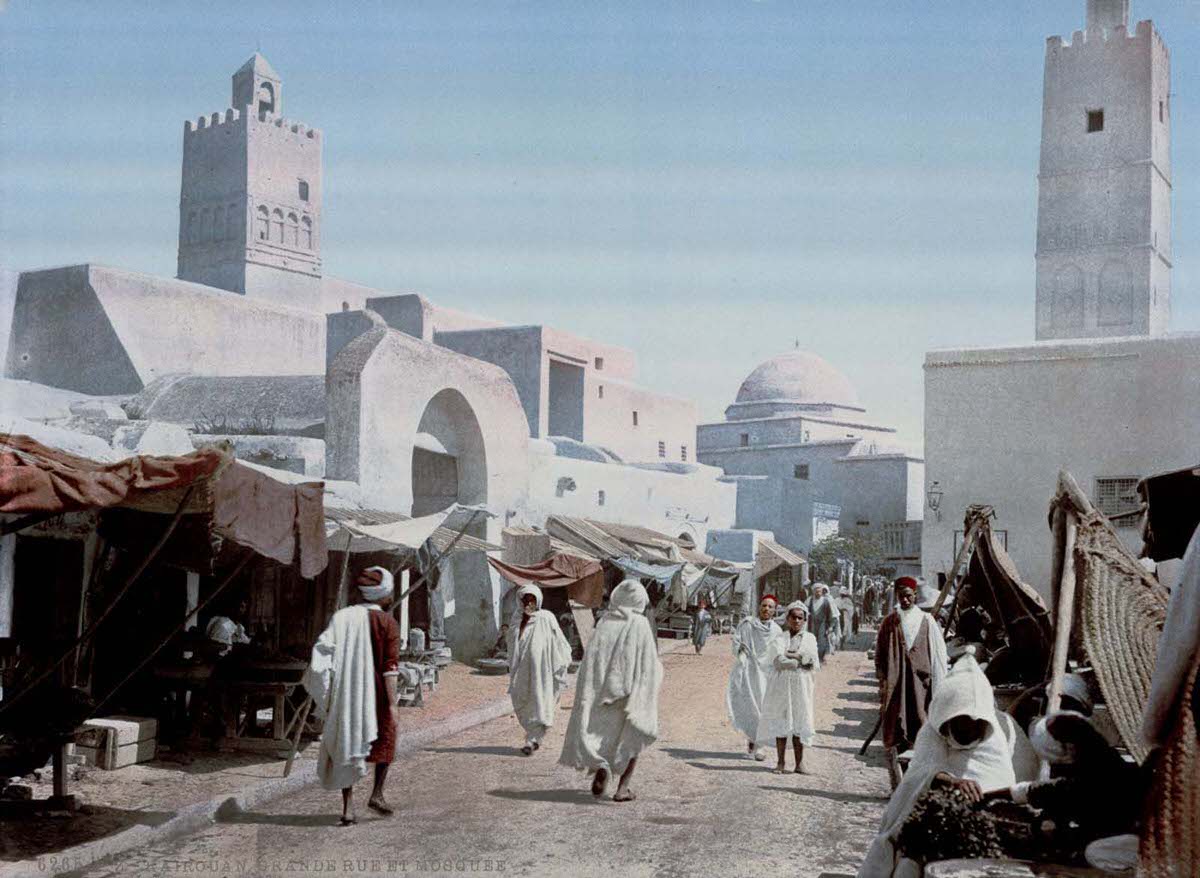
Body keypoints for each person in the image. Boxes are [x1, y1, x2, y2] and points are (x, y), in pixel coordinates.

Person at [857, 651, 1038, 878]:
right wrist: (947, 780)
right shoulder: (930, 735)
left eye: (976, 724)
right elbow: (913, 783)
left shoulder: (995, 739)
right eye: (962, 723)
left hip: (980, 827)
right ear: (947, 719)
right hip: (931, 824)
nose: (970, 730)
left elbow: (1004, 786)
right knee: (907, 858)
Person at [303, 566, 401, 825]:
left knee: (348, 743)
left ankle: (348, 807)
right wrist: (393, 705)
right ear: (384, 596)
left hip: (349, 692)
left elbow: (322, 654)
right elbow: (390, 668)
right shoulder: (388, 623)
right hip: (378, 693)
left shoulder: (342, 617)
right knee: (386, 740)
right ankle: (377, 793)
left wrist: (326, 691)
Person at [559, 579, 663, 802]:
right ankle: (622, 788)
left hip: (600, 692)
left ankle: (601, 768)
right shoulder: (640, 624)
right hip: (627, 693)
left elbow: (591, 660)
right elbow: (648, 663)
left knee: (602, 737)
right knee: (631, 738)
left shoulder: (604, 622)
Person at [875, 576, 949, 790]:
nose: (905, 600)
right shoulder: (890, 622)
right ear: (897, 597)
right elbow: (880, 654)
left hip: (921, 687)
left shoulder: (927, 621)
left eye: (908, 596)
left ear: (915, 595)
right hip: (896, 687)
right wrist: (882, 680)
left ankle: (917, 784)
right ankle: (897, 785)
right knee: (895, 731)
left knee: (921, 729)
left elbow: (938, 656)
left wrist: (939, 686)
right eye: (901, 596)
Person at [507, 584, 572, 756]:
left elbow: (559, 640)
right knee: (524, 700)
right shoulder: (517, 618)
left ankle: (532, 739)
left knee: (542, 702)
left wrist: (563, 657)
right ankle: (534, 736)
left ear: (538, 601)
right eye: (526, 600)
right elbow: (512, 644)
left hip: (545, 671)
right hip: (524, 671)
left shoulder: (546, 617)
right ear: (520, 602)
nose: (529, 604)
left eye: (532, 600)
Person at [756, 601, 819, 774]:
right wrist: (798, 659)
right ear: (787, 618)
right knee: (781, 721)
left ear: (805, 620)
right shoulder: (780, 638)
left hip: (801, 685)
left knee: (799, 720)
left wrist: (791, 656)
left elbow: (811, 662)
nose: (796, 621)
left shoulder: (810, 639)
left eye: (800, 618)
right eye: (793, 617)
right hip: (781, 685)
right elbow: (777, 661)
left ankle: (799, 764)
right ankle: (781, 762)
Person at [727, 593, 784, 761]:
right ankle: (753, 740)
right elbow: (737, 642)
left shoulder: (776, 630)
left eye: (770, 607)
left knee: (763, 707)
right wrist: (741, 648)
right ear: (759, 607)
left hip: (766, 674)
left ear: (774, 611)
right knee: (750, 706)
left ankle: (760, 745)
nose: (766, 609)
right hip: (749, 671)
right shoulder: (748, 624)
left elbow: (779, 652)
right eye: (764, 605)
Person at [809, 584, 838, 662]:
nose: (818, 593)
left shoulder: (826, 601)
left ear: (822, 592)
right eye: (816, 591)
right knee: (812, 640)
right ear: (813, 592)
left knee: (822, 641)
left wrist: (831, 626)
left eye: (819, 591)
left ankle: (820, 658)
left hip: (823, 623)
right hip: (812, 624)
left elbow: (830, 614)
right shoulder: (810, 600)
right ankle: (813, 658)